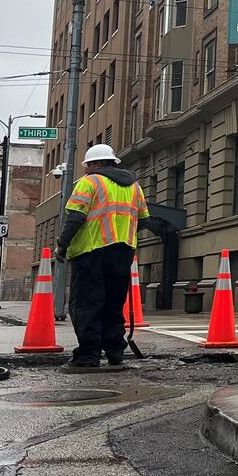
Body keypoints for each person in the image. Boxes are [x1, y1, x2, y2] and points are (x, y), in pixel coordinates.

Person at [55, 144, 149, 370]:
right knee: (114, 304)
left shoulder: (90, 182)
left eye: (88, 166)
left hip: (91, 252)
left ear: (95, 164)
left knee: (87, 304)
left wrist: (62, 244)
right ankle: (115, 352)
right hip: (123, 251)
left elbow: (76, 216)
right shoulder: (134, 186)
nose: (86, 170)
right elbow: (144, 219)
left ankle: (88, 356)